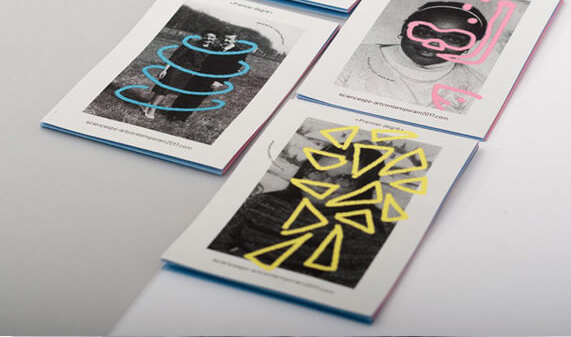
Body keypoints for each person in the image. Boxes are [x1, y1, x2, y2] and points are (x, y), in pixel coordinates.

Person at [208, 142, 394, 288]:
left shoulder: (368, 229)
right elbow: (214, 245)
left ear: (363, 186)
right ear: (304, 171)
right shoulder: (264, 202)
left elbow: (335, 290)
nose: (324, 183)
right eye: (318, 171)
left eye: (344, 179)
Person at [337, 2, 488, 113]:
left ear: (468, 46)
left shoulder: (475, 86)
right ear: (405, 29)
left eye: (453, 39)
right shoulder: (354, 56)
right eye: (424, 33)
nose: (434, 43)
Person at [166, 32, 250, 122]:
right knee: (185, 93)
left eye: (229, 39)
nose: (225, 40)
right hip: (199, 75)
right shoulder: (216, 48)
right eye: (224, 38)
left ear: (235, 41)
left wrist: (220, 81)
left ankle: (181, 118)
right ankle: (171, 113)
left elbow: (233, 69)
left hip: (213, 79)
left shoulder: (239, 53)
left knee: (196, 98)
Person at [142, 31, 217, 120]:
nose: (208, 39)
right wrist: (165, 69)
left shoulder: (212, 50)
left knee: (169, 90)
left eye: (211, 37)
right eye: (206, 36)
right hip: (177, 69)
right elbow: (175, 57)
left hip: (189, 73)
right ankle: (152, 109)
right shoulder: (191, 44)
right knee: (164, 89)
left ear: (215, 39)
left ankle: (147, 105)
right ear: (202, 36)